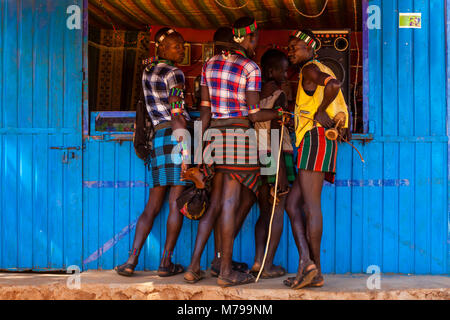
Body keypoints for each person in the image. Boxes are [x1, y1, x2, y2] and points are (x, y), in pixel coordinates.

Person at [183, 17, 282, 287]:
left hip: (214, 135)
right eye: (254, 39)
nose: (255, 44)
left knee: (215, 204)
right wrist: (280, 113)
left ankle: (194, 267)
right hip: (239, 136)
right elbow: (254, 113)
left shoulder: (209, 65)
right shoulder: (251, 67)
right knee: (230, 202)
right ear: (246, 40)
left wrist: (198, 149)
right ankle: (225, 271)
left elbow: (203, 111)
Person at [115, 27, 191, 277]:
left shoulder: (147, 71)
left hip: (159, 137)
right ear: (161, 48)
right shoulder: (175, 73)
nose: (181, 49)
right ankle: (165, 263)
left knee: (153, 204)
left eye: (181, 45)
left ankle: (131, 260)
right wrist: (185, 151)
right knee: (175, 203)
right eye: (175, 45)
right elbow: (178, 114)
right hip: (176, 135)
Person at [284, 29, 350, 289]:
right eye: (289, 47)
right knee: (292, 204)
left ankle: (315, 269)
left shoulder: (310, 69)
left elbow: (333, 86)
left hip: (315, 138)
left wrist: (320, 111)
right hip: (317, 139)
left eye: (295, 46)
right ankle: (308, 265)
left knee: (311, 206)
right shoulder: (318, 67)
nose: (291, 51)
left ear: (310, 48)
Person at [250, 49, 294, 279]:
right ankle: (268, 266)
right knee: (278, 207)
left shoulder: (254, 95)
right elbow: (277, 129)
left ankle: (258, 261)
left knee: (264, 212)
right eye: (283, 70)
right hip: (275, 154)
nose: (286, 75)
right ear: (270, 71)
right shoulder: (279, 95)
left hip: (259, 154)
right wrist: (281, 172)